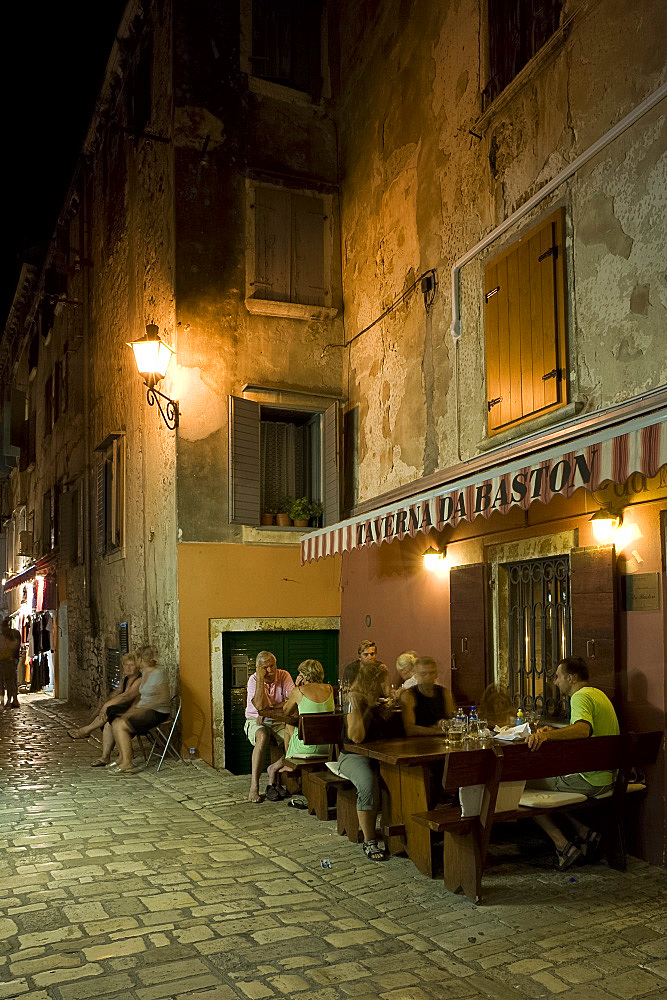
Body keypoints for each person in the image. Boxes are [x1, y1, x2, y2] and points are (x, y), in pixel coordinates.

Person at [526, 656, 620, 870]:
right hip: (607, 777)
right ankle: (583, 832)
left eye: (558, 677)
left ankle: (562, 845)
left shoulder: (580, 697)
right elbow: (584, 727)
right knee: (551, 790)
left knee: (520, 786)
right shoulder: (598, 694)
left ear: (571, 677)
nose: (556, 682)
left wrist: (546, 737)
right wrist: (558, 731)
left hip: (590, 780)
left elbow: (583, 729)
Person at [336, 660, 404, 862]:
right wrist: (361, 703)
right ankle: (369, 840)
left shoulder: (382, 701)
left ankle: (405, 831)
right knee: (368, 782)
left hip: (381, 754)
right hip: (353, 755)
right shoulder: (353, 701)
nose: (387, 687)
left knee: (411, 775)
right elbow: (356, 737)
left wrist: (392, 701)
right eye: (383, 682)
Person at [268, 659, 335, 790]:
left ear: (303, 675)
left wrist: (296, 687)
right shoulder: (329, 688)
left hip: (308, 747)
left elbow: (287, 711)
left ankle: (289, 761)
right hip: (328, 748)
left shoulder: (299, 690)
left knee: (288, 726)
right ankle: (288, 763)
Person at [110, 646, 171, 775]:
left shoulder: (158, 673)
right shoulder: (145, 673)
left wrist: (143, 709)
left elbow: (164, 697)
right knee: (116, 722)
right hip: (145, 709)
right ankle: (122, 758)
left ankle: (127, 763)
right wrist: (131, 711)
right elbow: (141, 698)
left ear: (141, 659)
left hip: (157, 711)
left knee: (121, 726)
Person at [244, 651, 295, 803]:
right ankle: (254, 786)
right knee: (262, 736)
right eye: (265, 668)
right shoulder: (253, 679)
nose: (270, 670)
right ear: (259, 668)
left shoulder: (284, 675)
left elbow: (293, 700)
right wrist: (260, 678)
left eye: (272, 666)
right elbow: (259, 706)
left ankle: (274, 770)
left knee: (296, 739)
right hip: (255, 720)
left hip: (278, 720)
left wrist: (270, 707)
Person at [68, 651, 142, 751]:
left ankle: (85, 731)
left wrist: (106, 706)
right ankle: (105, 756)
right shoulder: (125, 680)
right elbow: (115, 694)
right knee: (108, 721)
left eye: (131, 665)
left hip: (135, 712)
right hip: (125, 711)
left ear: (137, 666)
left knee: (109, 714)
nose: (128, 667)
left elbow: (126, 696)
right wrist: (100, 707)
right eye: (126, 665)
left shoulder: (139, 680)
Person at [400, 656, 454, 736]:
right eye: (423, 674)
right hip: (418, 743)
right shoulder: (409, 695)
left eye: (432, 673)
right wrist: (438, 731)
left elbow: (453, 718)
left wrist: (445, 723)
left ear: (436, 674)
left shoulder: (444, 692)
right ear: (416, 675)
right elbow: (410, 729)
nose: (428, 677)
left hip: (442, 742)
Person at [0, 617, 21, 708]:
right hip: (12, 660)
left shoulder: (3, 635)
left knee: (4, 681)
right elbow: (17, 646)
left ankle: (5, 701)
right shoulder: (16, 633)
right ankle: (13, 700)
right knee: (12, 680)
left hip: (4, 660)